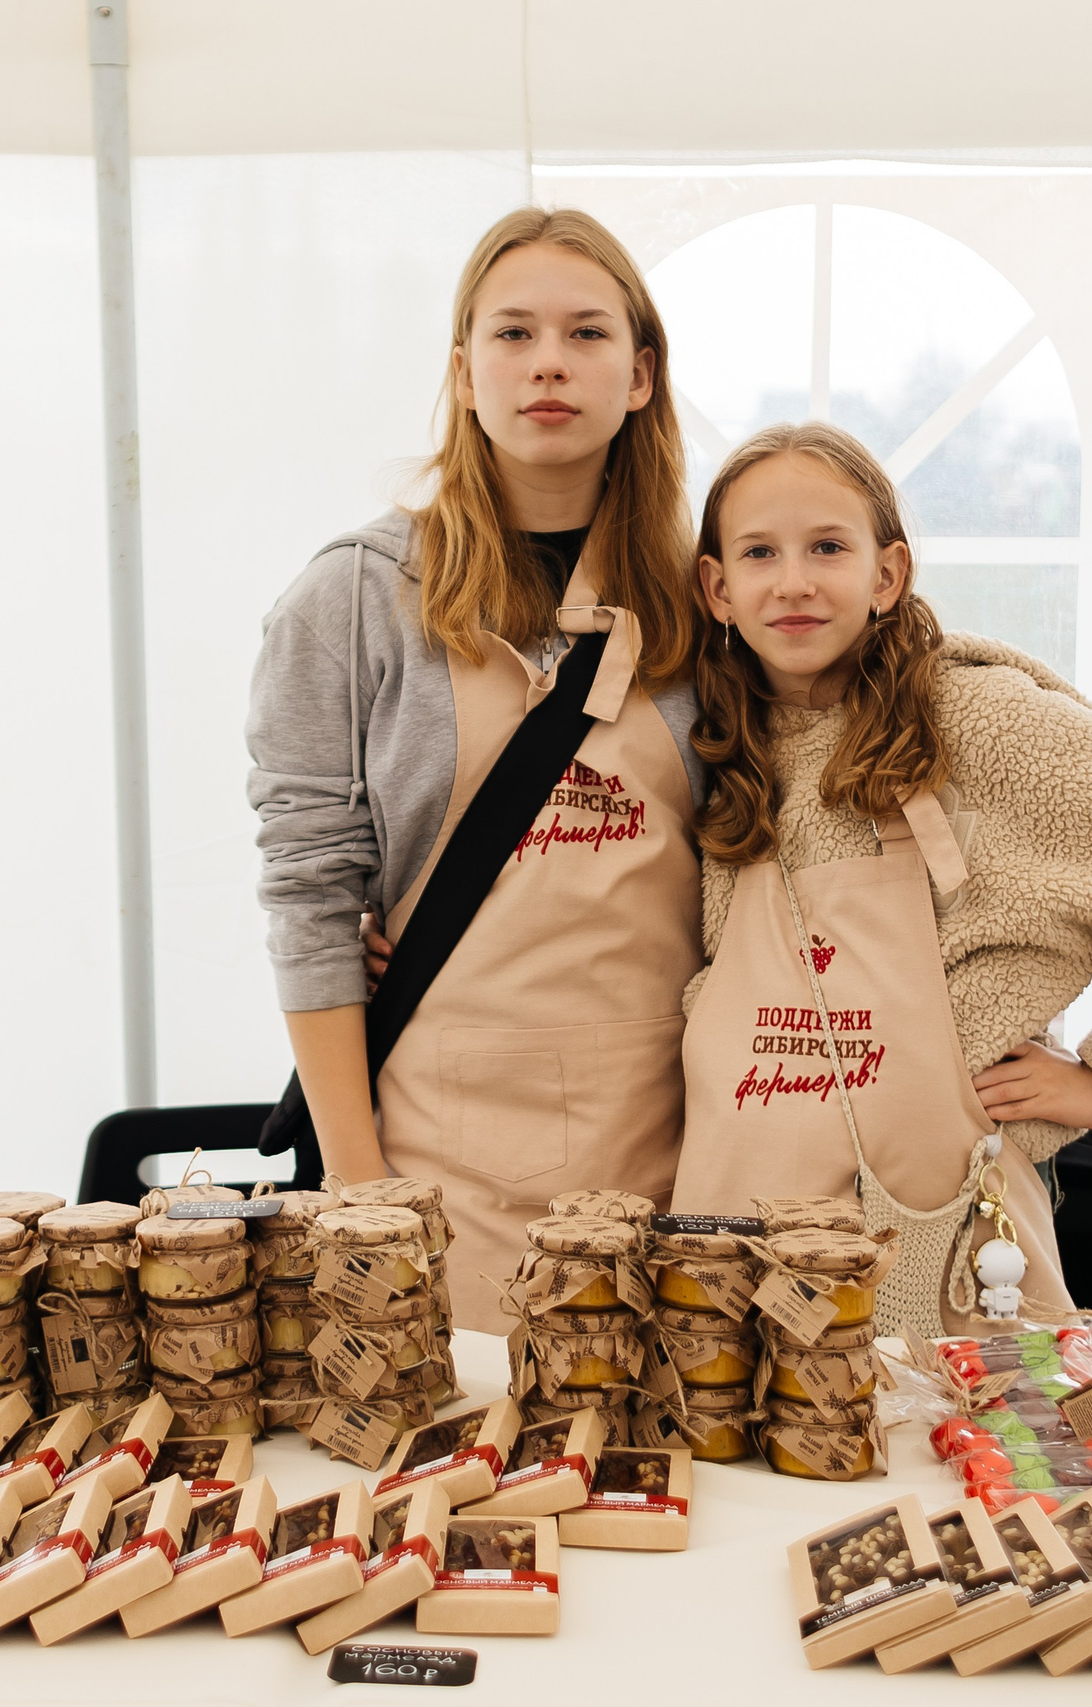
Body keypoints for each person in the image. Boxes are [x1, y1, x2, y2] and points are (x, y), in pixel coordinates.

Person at [672, 422, 1092, 1329]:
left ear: (888, 574)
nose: (795, 580)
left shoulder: (980, 723)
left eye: (828, 547)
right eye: (760, 552)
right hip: (734, 1260)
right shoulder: (722, 744)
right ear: (718, 587)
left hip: (938, 1261)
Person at [246, 209, 702, 1331]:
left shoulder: (712, 605)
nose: (548, 360)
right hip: (429, 1164)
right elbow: (311, 900)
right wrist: (362, 1189)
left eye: (587, 333)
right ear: (462, 371)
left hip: (672, 1157)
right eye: (512, 333)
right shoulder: (348, 602)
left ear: (640, 376)